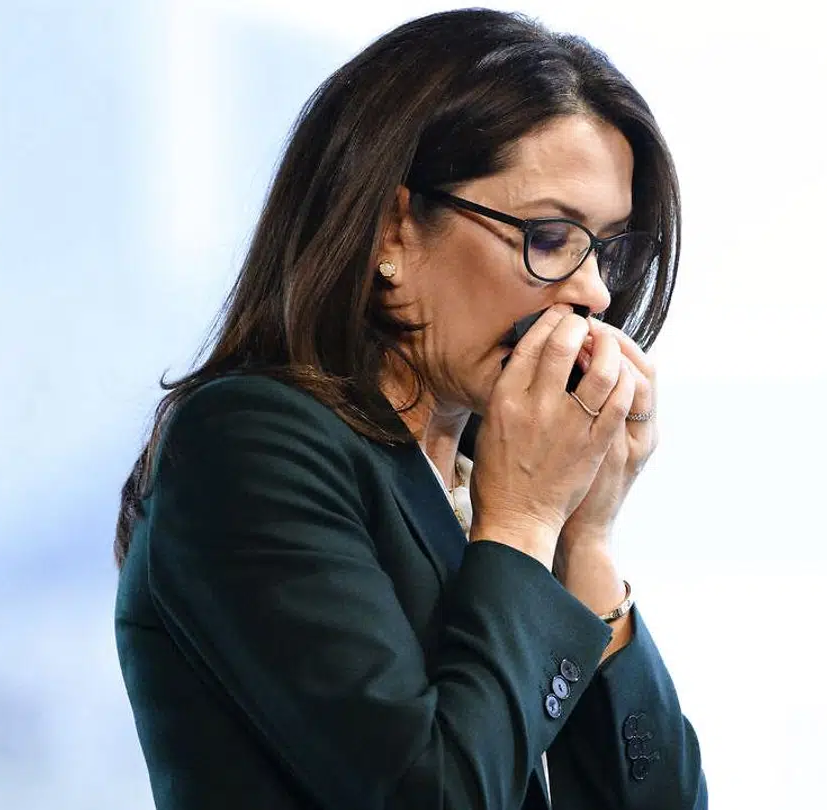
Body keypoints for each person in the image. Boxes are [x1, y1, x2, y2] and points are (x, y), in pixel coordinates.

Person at [112, 9, 706, 809]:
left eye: (610, 248)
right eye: (550, 236)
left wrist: (584, 539)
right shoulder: (251, 442)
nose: (595, 292)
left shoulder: (483, 483)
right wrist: (526, 519)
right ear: (392, 230)